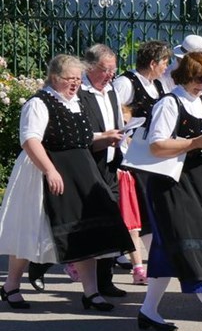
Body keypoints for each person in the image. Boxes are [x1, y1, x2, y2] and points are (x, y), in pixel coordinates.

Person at [0, 54, 133, 311]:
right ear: (54, 77)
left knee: (85, 230)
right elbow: (30, 140)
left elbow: (78, 137)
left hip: (80, 172)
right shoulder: (39, 103)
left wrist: (104, 138)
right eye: (69, 78)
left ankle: (91, 293)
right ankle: (11, 285)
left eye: (78, 79)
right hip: (45, 171)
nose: (75, 83)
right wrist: (50, 170)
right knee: (31, 230)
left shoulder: (75, 102)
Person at [138, 51, 202, 331]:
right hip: (172, 182)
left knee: (170, 247)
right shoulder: (169, 103)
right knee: (190, 244)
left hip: (200, 178)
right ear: (184, 76)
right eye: (198, 79)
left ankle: (148, 310)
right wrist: (196, 142)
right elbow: (157, 146)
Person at [113, 39, 172, 284]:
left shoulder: (158, 85)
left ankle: (154, 260)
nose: (167, 68)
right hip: (129, 157)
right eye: (165, 62)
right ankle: (137, 262)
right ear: (153, 63)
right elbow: (113, 114)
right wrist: (124, 136)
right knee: (137, 211)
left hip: (149, 157)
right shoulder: (126, 83)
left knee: (149, 209)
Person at [79, 44, 129, 299]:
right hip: (88, 164)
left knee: (112, 222)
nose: (110, 75)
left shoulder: (111, 91)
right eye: (105, 69)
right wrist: (103, 136)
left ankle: (104, 280)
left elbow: (117, 123)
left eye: (113, 70)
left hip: (110, 164)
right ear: (90, 67)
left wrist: (122, 139)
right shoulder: (79, 92)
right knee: (87, 223)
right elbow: (77, 132)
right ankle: (40, 265)